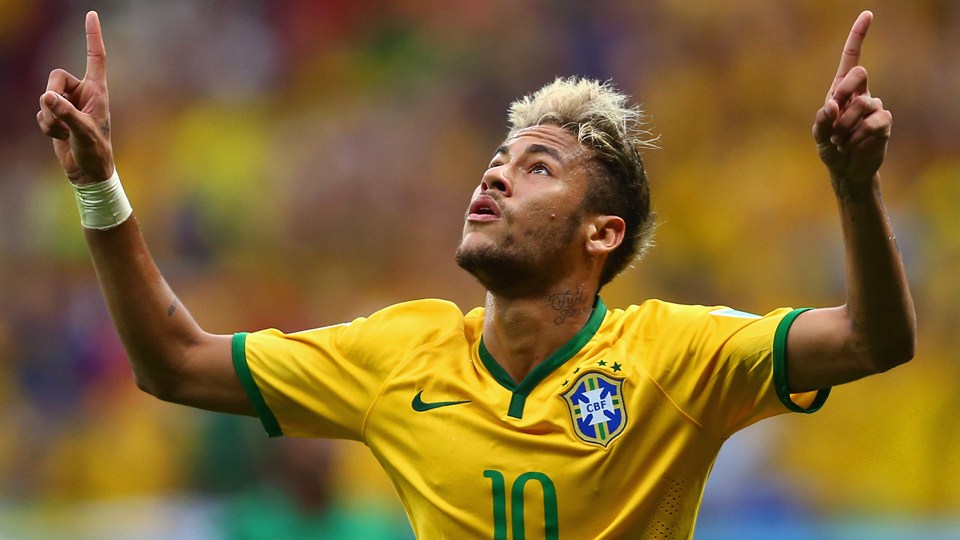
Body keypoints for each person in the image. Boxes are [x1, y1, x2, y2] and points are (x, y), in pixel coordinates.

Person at [37, 10, 914, 539]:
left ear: (601, 232)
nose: (493, 174)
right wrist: (95, 184)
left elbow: (877, 338)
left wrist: (853, 186)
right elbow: (172, 360)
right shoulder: (400, 353)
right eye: (497, 158)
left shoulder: (678, 356)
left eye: (537, 167)